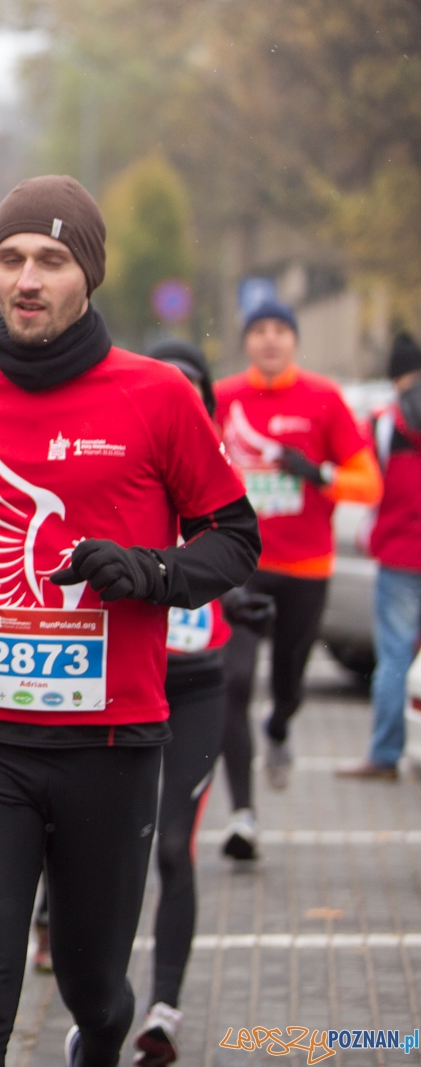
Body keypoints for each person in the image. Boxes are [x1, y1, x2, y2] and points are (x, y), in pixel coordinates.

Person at [0, 175, 259, 1067]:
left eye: (52, 260)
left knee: (94, 984)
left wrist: (153, 571)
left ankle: (98, 1036)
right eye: (11, 258)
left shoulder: (157, 396)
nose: (27, 278)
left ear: (87, 277)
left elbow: (234, 537)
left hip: (109, 739)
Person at [126, 340, 276, 1067]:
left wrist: (243, 599)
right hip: (117, 684)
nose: (177, 402)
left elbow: (240, 558)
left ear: (207, 408)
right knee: (102, 842)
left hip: (195, 687)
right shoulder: (117, 470)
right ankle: (71, 947)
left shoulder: (224, 481)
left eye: (192, 392)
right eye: (165, 389)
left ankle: (162, 1008)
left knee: (174, 849)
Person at [213, 299, 382, 853]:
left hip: (306, 565)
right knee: (233, 681)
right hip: (242, 566)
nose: (269, 340)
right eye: (258, 330)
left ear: (293, 340)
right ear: (246, 341)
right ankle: (242, 816)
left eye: (279, 331)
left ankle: (281, 727)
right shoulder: (224, 399)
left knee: (288, 681)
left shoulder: (322, 399)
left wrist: (319, 473)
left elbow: (368, 485)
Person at [346, 332, 421, 779]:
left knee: (394, 657)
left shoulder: (384, 422)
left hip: (397, 553)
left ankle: (385, 754)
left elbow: (357, 476)